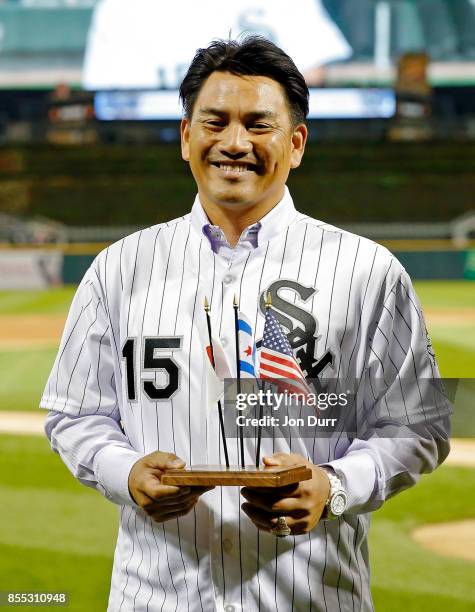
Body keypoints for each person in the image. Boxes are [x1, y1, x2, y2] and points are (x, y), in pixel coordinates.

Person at [41, 36, 450, 612]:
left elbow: (420, 427)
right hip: (157, 598)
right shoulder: (118, 268)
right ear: (187, 137)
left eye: (259, 124)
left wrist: (334, 487)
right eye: (215, 122)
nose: (235, 143)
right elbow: (75, 415)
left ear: (297, 143)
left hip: (312, 597)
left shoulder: (368, 270)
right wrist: (125, 471)